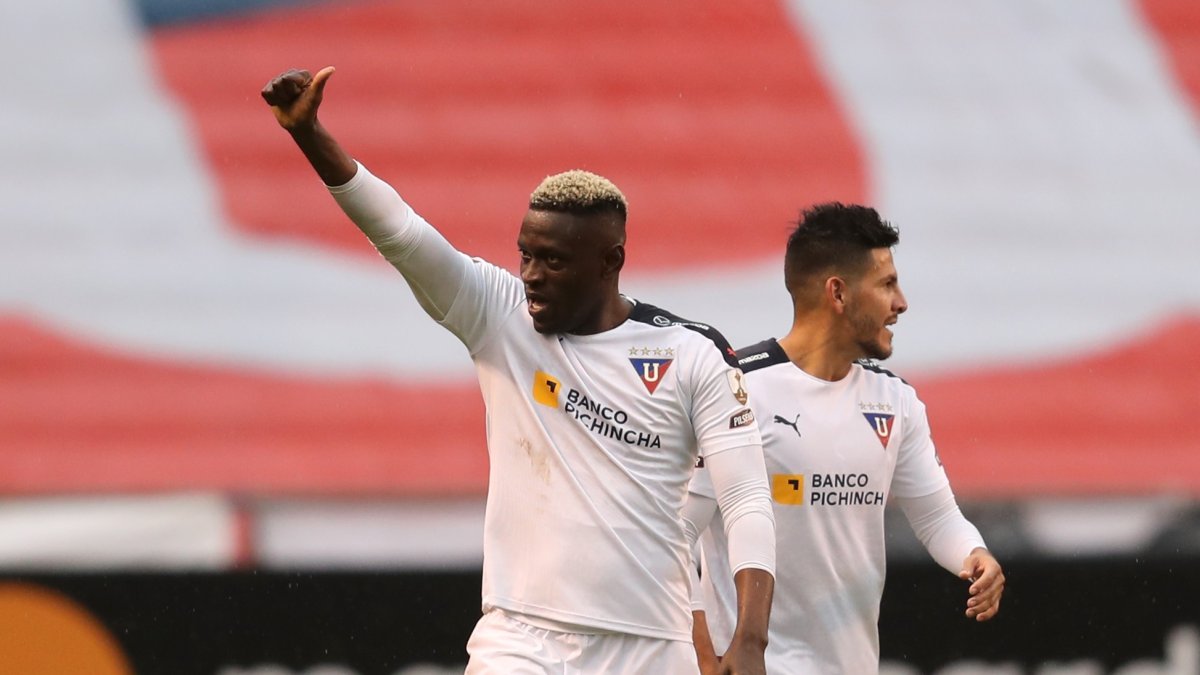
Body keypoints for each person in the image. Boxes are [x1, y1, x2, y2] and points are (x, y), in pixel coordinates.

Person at [261, 66, 776, 674]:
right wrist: (309, 135)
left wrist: (749, 638)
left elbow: (745, 498)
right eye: (525, 254)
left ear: (611, 261)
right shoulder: (499, 316)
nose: (531, 274)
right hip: (521, 639)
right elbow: (400, 234)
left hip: (649, 646)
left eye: (553, 261)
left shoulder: (692, 354)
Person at [683, 203, 1005, 674]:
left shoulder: (895, 401)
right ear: (838, 292)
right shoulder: (736, 389)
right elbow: (675, 535)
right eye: (887, 284)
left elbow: (937, 517)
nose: (902, 303)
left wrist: (975, 554)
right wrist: (700, 655)